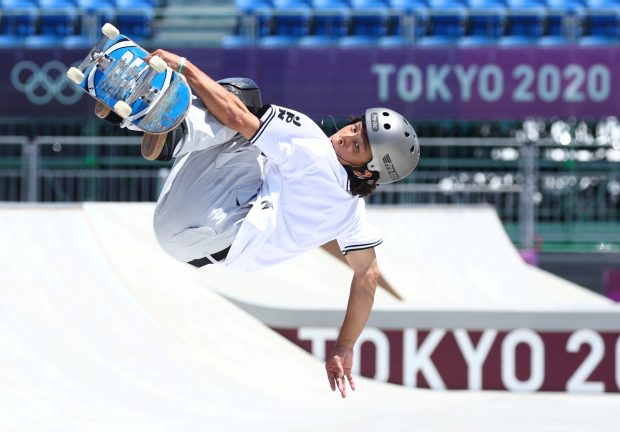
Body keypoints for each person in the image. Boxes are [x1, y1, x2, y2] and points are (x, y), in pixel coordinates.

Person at [133, 49, 420, 399]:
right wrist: (344, 346)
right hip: (193, 245)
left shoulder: (312, 146)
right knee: (260, 143)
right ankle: (157, 125)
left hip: (210, 218)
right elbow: (368, 275)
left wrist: (186, 68)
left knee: (243, 97)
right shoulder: (351, 211)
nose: (345, 136)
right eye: (354, 127)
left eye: (357, 145)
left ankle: (174, 132)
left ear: (364, 170)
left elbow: (236, 116)